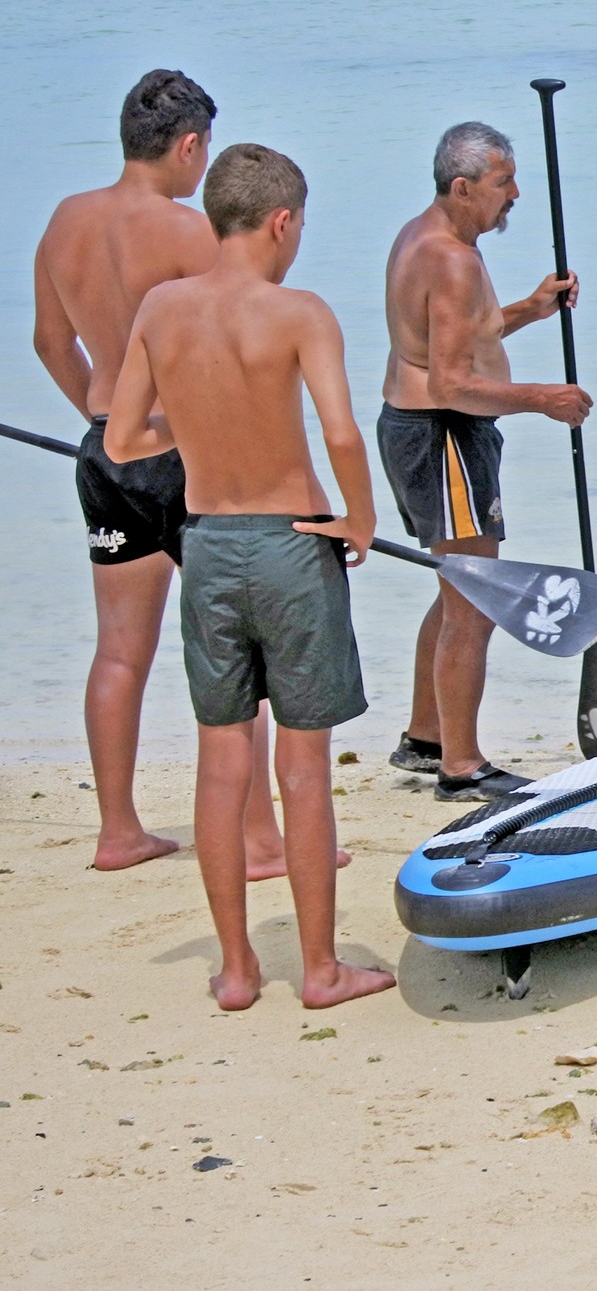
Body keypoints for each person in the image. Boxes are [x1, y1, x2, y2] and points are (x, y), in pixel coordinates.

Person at [104, 142, 393, 1010]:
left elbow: (120, 442)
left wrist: (196, 427)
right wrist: (361, 518)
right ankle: (319, 970)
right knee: (302, 767)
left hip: (210, 546)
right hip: (291, 542)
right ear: (281, 221)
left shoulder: (162, 308)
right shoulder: (299, 310)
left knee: (221, 758)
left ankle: (235, 972)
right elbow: (341, 432)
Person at [32, 70, 319, 878]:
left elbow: (51, 343)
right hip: (189, 462)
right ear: (191, 146)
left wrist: (105, 418)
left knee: (119, 650)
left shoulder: (64, 222)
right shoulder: (188, 230)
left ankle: (118, 831)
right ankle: (262, 839)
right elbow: (255, 323)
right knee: (239, 655)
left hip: (104, 451)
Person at [379, 121, 590, 800]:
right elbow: (449, 382)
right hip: (443, 432)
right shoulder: (450, 257)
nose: (517, 194)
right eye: (504, 183)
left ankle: (425, 738)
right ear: (463, 187)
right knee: (474, 600)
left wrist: (532, 307)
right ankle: (461, 768)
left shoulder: (433, 236)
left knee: (456, 590)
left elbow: (467, 330)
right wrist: (543, 398)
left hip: (428, 431)